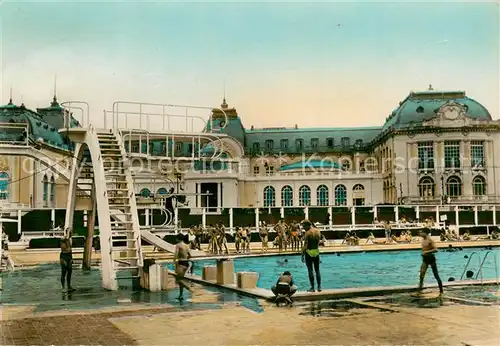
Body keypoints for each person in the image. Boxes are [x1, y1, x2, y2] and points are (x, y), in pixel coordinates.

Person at [418, 229, 444, 295]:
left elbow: (436, 249)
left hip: (431, 259)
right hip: (425, 259)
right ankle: (419, 290)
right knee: (421, 275)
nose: (420, 234)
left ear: (425, 233)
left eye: (421, 232)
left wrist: (426, 252)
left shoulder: (430, 240)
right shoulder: (422, 240)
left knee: (436, 275)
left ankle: (441, 291)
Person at [301, 219, 322, 292]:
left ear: (307, 225)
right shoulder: (318, 231)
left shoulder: (307, 233)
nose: (303, 227)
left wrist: (302, 254)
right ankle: (319, 287)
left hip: (309, 252)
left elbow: (305, 245)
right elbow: (319, 242)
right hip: (316, 251)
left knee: (310, 270)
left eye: (304, 226)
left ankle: (312, 288)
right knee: (317, 270)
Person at [174, 233, 193, 300]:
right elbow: (190, 255)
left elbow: (176, 254)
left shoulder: (178, 245)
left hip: (181, 263)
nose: (175, 239)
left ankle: (188, 288)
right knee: (180, 279)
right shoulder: (186, 245)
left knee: (178, 280)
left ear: (178, 239)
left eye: (176, 238)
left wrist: (174, 261)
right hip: (186, 263)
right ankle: (181, 295)